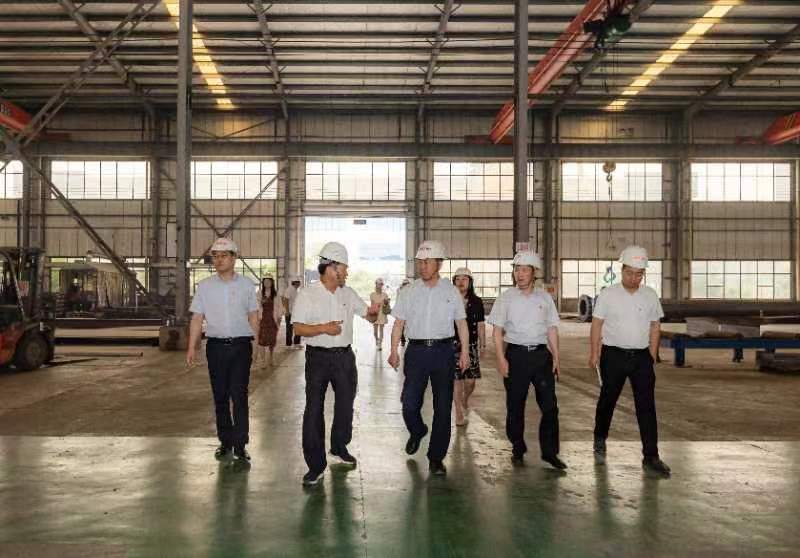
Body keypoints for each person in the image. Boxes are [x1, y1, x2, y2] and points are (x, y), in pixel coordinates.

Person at [292, 241, 380, 486]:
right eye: (344, 267)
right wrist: (323, 328)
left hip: (344, 358)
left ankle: (339, 447)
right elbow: (298, 328)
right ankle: (315, 465)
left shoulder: (348, 294)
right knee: (313, 409)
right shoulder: (307, 294)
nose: (347, 271)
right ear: (331, 267)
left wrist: (375, 311)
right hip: (317, 359)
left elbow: (369, 316)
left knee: (345, 406)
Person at [388, 240, 470, 477]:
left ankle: (436, 457)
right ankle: (417, 430)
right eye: (420, 262)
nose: (422, 266)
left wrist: (465, 352)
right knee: (409, 403)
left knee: (443, 406)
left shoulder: (451, 292)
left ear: (439, 264)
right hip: (416, 353)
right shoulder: (409, 291)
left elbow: (461, 323)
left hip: (444, 352)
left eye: (427, 262)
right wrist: (393, 350)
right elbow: (398, 323)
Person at [589, 245, 671, 477]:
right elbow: (597, 324)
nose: (634, 278)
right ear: (622, 270)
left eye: (638, 274)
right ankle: (600, 438)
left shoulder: (650, 295)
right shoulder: (608, 294)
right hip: (613, 356)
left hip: (641, 358)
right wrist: (594, 353)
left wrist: (652, 354)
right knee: (607, 400)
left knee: (646, 406)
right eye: (630, 273)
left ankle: (651, 455)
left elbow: (655, 325)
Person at [487, 251, 567, 470]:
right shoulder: (506, 298)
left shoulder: (544, 298)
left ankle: (549, 453)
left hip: (541, 357)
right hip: (516, 357)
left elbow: (551, 329)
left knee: (550, 407)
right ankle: (518, 447)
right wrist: (501, 358)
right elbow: (497, 331)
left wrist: (556, 357)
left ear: (534, 273)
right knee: (515, 406)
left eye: (524, 270)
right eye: (516, 269)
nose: (519, 274)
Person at [187, 237, 259, 468]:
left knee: (239, 395)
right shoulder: (205, 287)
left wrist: (257, 344)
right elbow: (197, 318)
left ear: (234, 258)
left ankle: (240, 445)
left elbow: (253, 316)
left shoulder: (247, 285)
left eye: (223, 256)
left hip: (241, 346)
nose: (218, 260)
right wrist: (191, 347)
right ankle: (225, 441)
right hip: (216, 347)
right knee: (220, 396)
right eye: (215, 257)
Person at [451, 267, 486, 426]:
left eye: (464, 279)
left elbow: (480, 324)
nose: (461, 282)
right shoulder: (449, 300)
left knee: (470, 381)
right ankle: (458, 413)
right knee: (457, 380)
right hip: (452, 345)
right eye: (457, 279)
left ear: (470, 282)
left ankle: (465, 398)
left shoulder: (477, 301)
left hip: (471, 345)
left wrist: (482, 345)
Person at [256, 275, 283, 366]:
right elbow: (256, 306)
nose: (267, 283)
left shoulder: (275, 294)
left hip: (272, 320)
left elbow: (280, 306)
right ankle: (263, 361)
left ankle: (271, 358)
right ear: (263, 283)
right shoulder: (259, 293)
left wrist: (279, 318)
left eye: (268, 281)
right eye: (265, 281)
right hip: (262, 320)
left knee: (272, 340)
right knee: (261, 341)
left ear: (272, 283)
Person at [282, 275, 302, 348]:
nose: (299, 284)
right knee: (289, 329)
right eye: (298, 282)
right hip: (290, 312)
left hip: (296, 313)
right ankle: (288, 344)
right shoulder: (289, 290)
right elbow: (285, 300)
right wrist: (287, 311)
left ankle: (296, 343)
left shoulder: (295, 290)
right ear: (295, 282)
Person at [370, 278, 390, 349]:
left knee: (381, 330)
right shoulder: (372, 294)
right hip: (375, 314)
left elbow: (386, 304)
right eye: (378, 284)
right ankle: (377, 340)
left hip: (382, 314)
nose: (380, 286)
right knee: (375, 332)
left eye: (381, 284)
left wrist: (386, 302)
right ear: (376, 285)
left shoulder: (385, 295)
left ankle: (380, 344)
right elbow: (372, 305)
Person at [396, 278, 411, 347]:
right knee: (401, 326)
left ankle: (410, 339)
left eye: (407, 284)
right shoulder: (399, 290)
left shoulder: (411, 290)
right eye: (404, 284)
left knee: (409, 325)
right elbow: (397, 300)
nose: (406, 285)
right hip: (401, 310)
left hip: (409, 310)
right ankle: (403, 340)